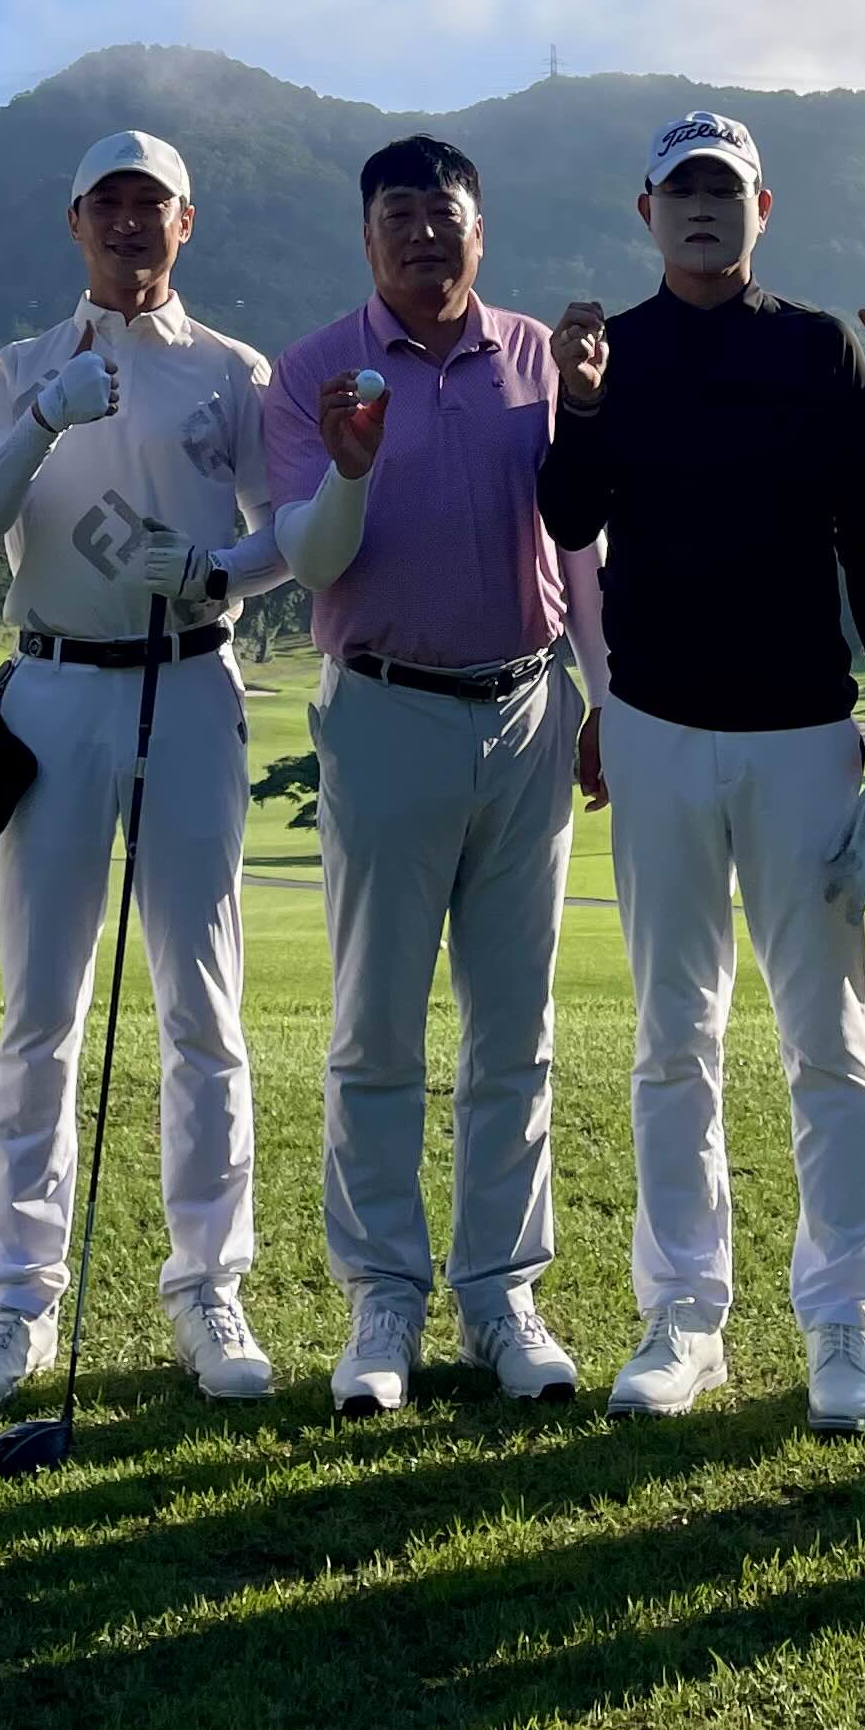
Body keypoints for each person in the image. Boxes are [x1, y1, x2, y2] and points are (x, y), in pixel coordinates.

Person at [543, 111, 865, 1433]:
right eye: (681, 190)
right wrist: (581, 405)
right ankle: (684, 1316)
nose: (703, 208)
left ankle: (842, 1323)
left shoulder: (815, 347)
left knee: (830, 1039)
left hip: (804, 727)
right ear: (647, 210)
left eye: (725, 189)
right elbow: (570, 516)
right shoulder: (612, 351)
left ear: (763, 206)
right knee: (673, 1037)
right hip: (656, 726)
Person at [0, 129, 310, 1414]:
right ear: (75, 221)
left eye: (152, 205)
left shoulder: (231, 369)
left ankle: (209, 1283)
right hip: (52, 684)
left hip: (190, 680)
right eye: (107, 203)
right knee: (41, 1006)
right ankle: (20, 1294)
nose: (129, 223)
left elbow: (288, 534)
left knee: (201, 1001)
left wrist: (218, 572)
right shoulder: (18, 368)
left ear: (184, 224)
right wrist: (46, 418)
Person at [262, 133, 606, 1416]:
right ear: (366, 238)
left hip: (527, 704)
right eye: (398, 214)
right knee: (378, 1028)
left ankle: (503, 1293)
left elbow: (582, 544)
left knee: (516, 1026)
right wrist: (351, 470)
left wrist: (605, 697)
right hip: (386, 706)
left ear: (481, 228)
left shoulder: (536, 358)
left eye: (444, 212)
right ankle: (384, 1297)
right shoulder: (311, 373)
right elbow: (310, 557)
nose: (423, 233)